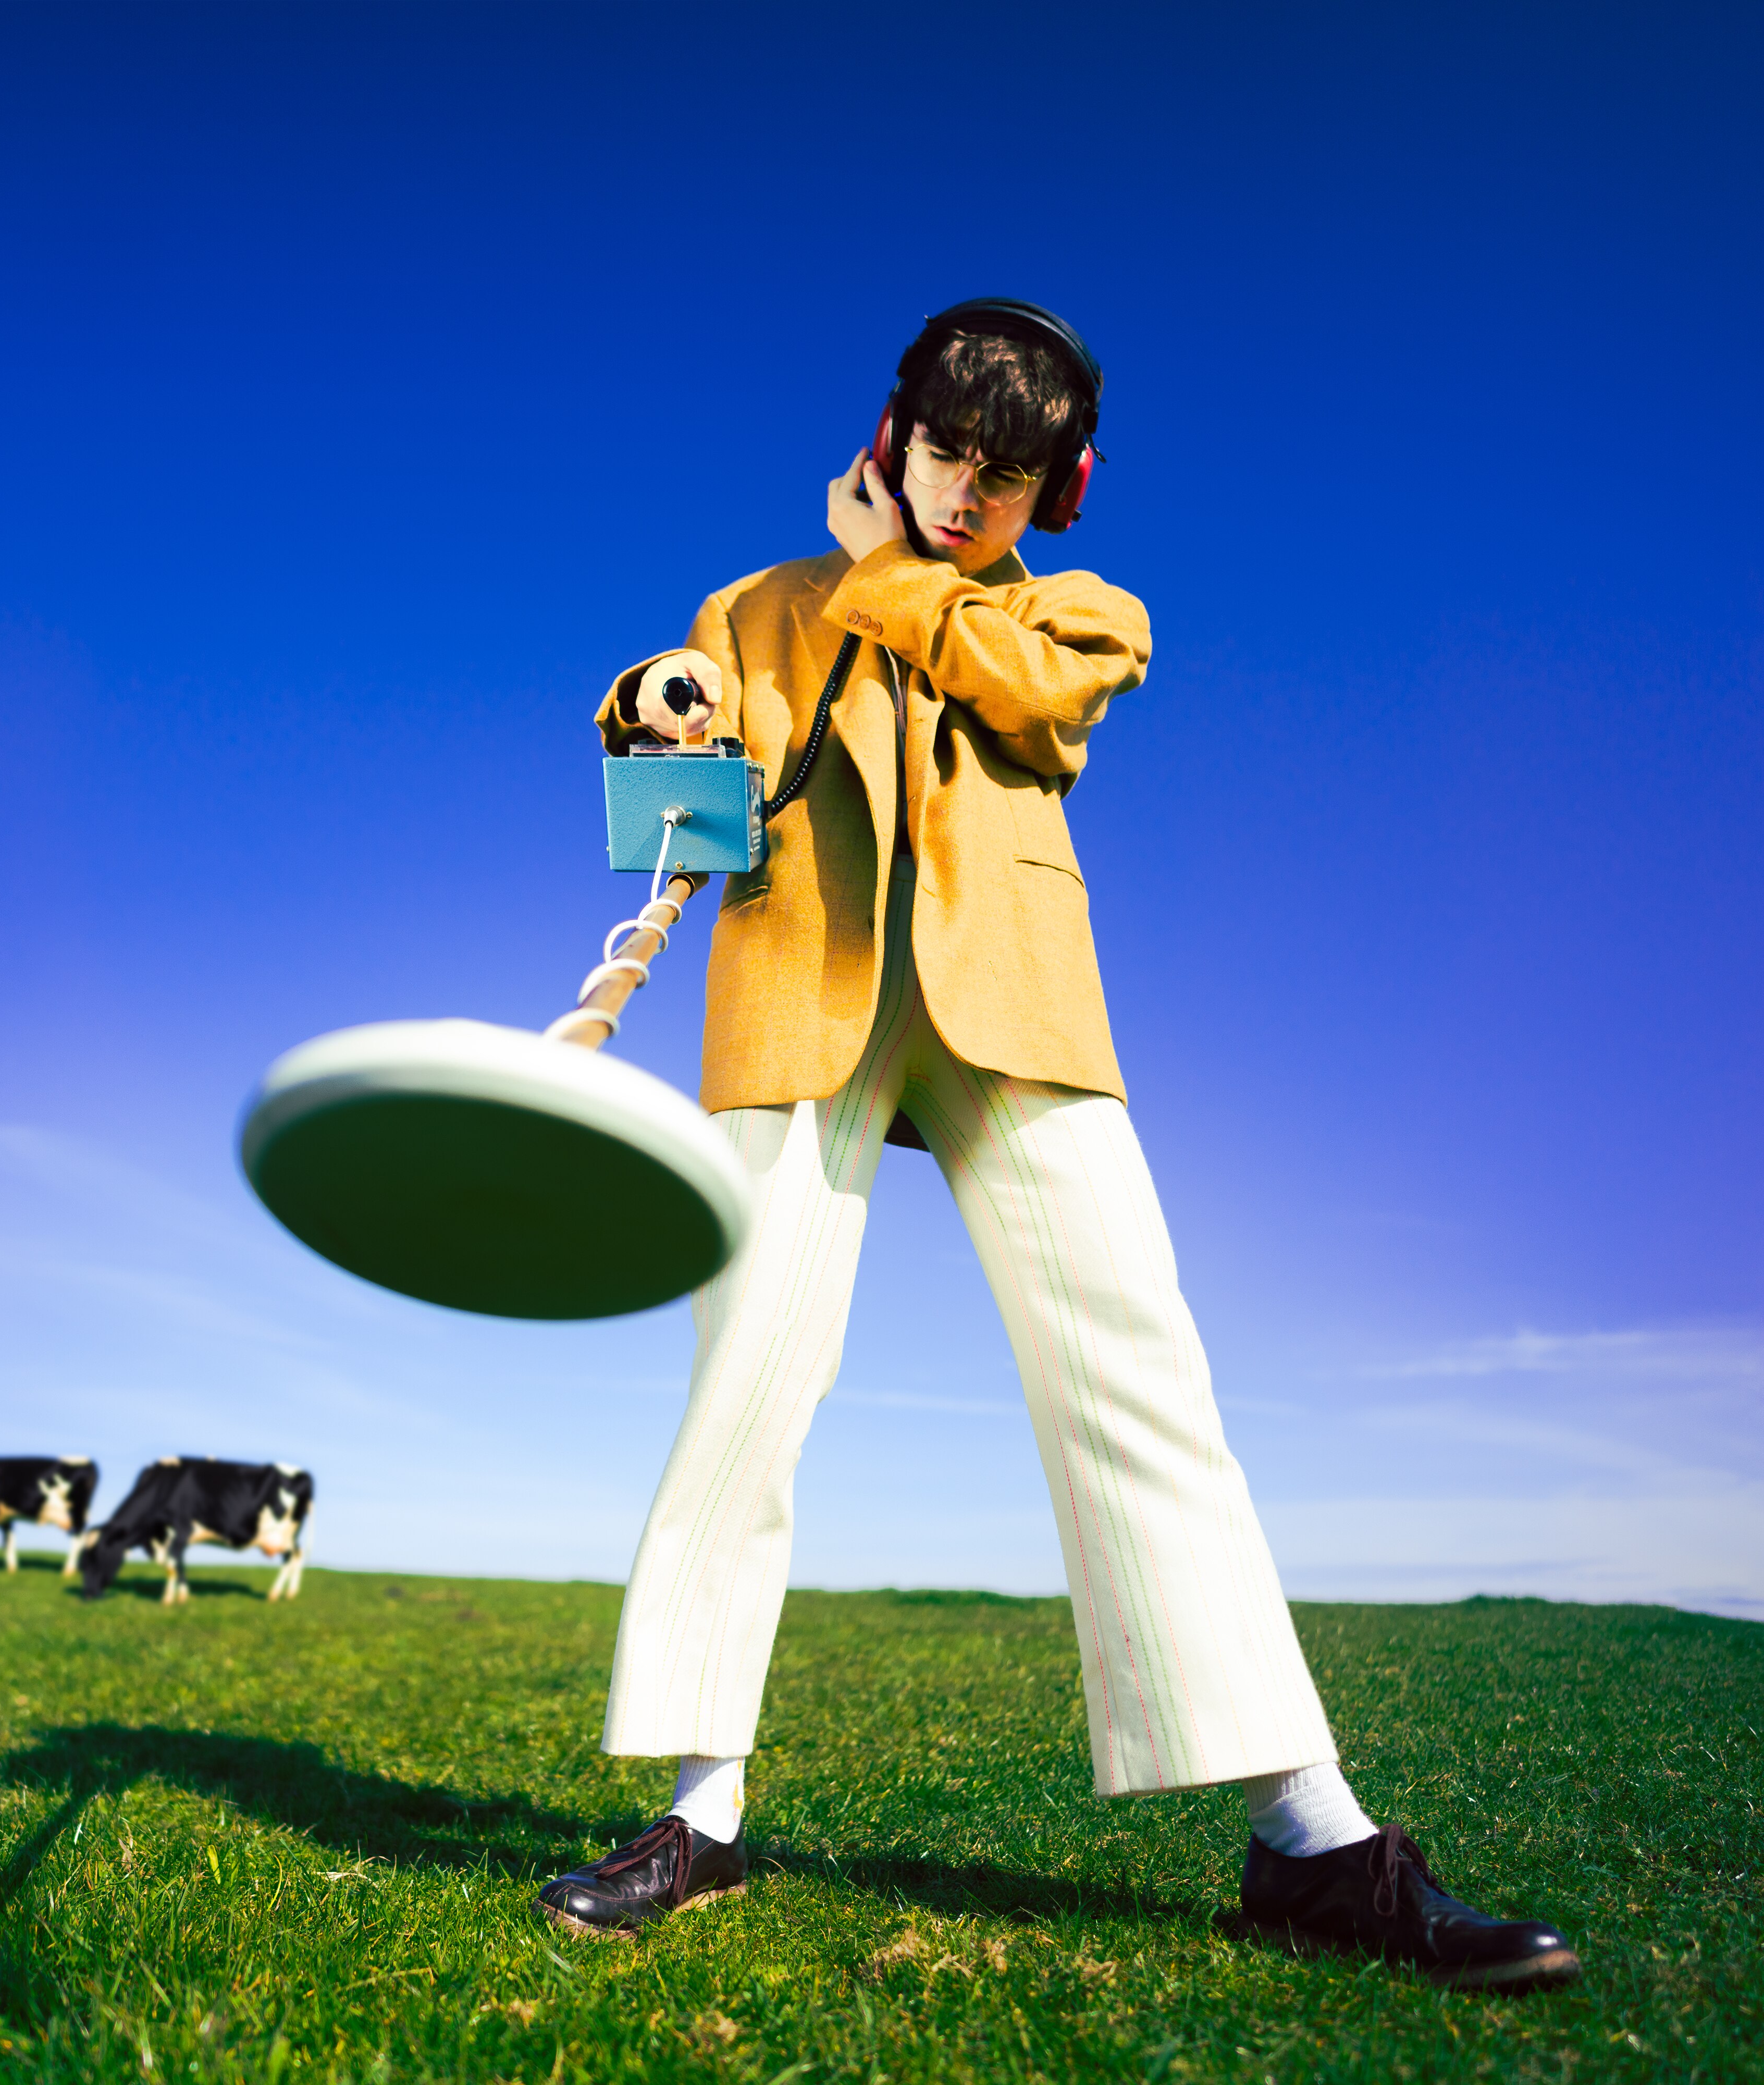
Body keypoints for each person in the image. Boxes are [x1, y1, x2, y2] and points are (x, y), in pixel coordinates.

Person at [534, 300, 1578, 1990]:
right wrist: (655, 700)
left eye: (1007, 479)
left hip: (1018, 1017)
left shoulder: (1085, 616)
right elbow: (676, 724)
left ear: (1059, 490)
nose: (967, 496)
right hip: (800, 996)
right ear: (896, 435)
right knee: (746, 1389)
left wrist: (882, 573)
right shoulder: (759, 605)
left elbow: (1020, 694)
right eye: (947, 455)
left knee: (1143, 1383)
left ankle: (1312, 1842)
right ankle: (699, 1814)